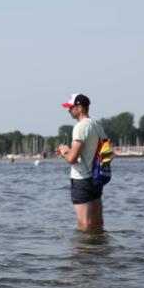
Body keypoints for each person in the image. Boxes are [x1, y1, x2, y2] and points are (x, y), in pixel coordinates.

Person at [55, 93, 107, 232]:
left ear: (80, 107)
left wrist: (65, 151)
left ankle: (84, 252)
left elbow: (72, 159)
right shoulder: (97, 125)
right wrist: (68, 152)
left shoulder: (80, 127)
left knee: (84, 226)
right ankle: (100, 250)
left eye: (71, 107)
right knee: (98, 224)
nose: (69, 110)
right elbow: (103, 151)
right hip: (97, 178)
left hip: (82, 180)